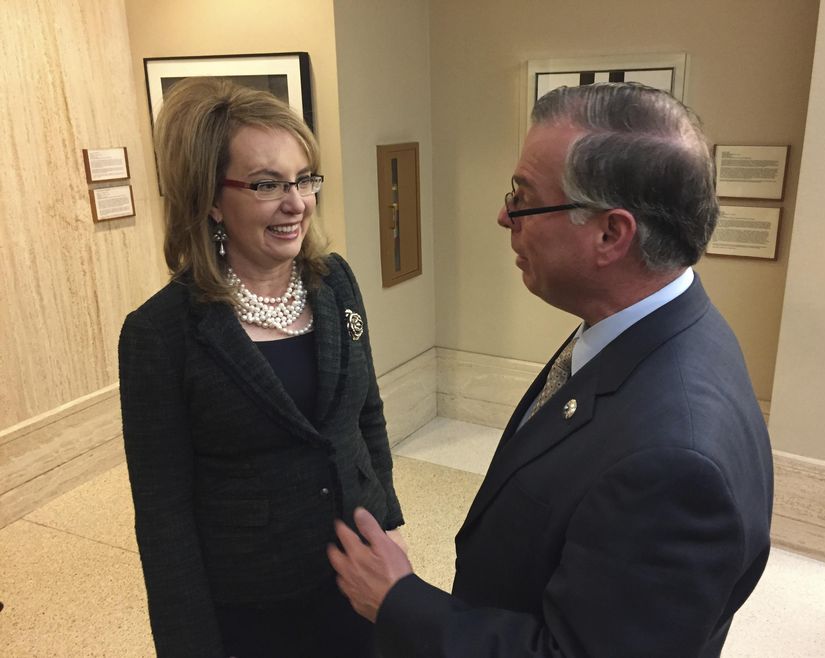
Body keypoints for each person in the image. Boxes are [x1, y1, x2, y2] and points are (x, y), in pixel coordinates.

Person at [328, 82, 774, 657]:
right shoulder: (653, 327)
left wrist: (398, 600)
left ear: (611, 234)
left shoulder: (673, 462)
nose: (502, 215)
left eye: (523, 196)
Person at [119, 77, 404, 658]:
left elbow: (364, 413)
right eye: (267, 184)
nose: (296, 203)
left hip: (360, 583)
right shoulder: (161, 334)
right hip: (254, 608)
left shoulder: (336, 283)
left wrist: (388, 525)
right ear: (208, 198)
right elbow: (163, 515)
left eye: (304, 179)